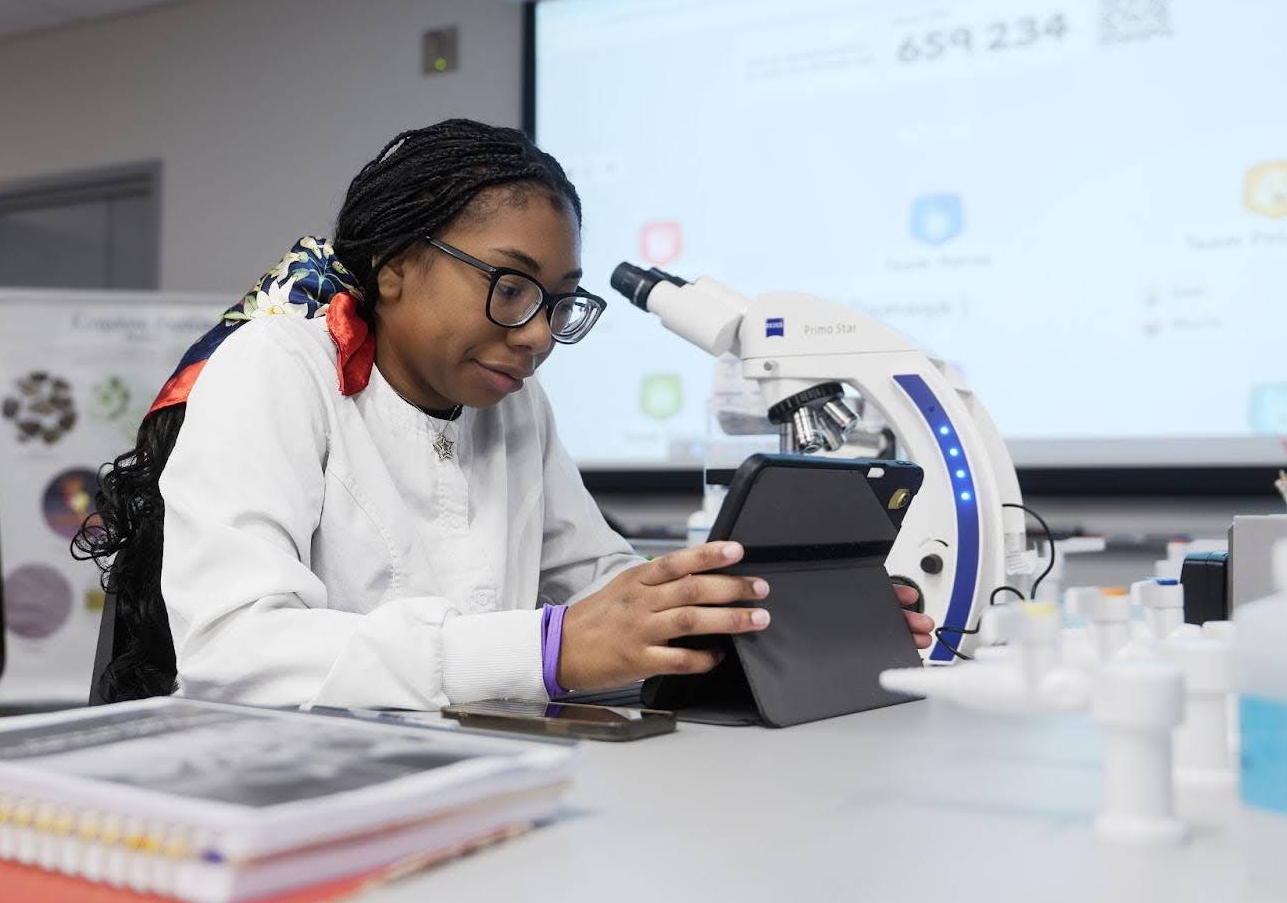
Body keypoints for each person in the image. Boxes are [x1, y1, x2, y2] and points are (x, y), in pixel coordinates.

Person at [78, 119, 933, 708]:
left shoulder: (516, 410)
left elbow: (595, 581)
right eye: (510, 286)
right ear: (394, 266)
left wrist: (748, 617)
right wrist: (546, 650)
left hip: (478, 780)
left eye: (558, 304)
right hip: (295, 805)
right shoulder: (276, 369)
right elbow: (237, 652)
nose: (536, 336)